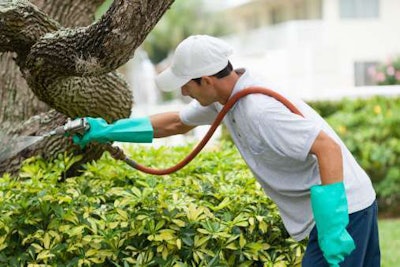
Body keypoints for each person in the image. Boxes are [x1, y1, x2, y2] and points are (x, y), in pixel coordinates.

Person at [73, 35, 380, 266]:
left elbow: (326, 148)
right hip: (341, 212)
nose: (182, 92)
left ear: (206, 80)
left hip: (344, 213)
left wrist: (333, 228)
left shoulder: (259, 109)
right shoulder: (225, 97)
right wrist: (110, 130)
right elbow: (176, 123)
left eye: (186, 85)